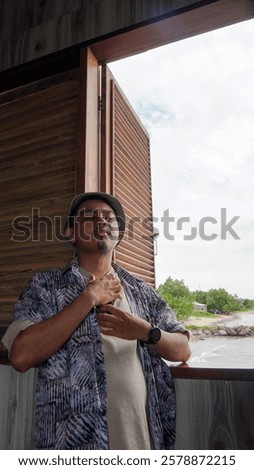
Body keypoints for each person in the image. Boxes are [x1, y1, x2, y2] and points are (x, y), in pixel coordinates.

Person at [2, 192, 191, 450]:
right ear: (71, 234)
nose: (101, 221)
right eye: (89, 216)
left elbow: (182, 349)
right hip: (72, 445)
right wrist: (88, 298)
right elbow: (21, 356)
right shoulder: (45, 286)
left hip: (141, 439)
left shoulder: (141, 291)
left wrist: (145, 331)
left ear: (118, 234)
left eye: (108, 218)